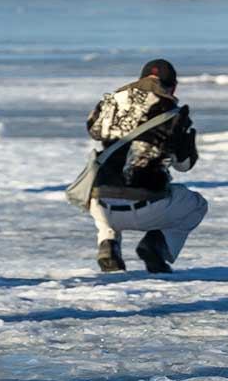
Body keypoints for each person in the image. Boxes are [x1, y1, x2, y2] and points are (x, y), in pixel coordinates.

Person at [85, 60, 206, 273]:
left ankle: (108, 244)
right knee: (196, 205)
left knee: (106, 185)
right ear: (173, 87)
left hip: (102, 205)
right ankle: (156, 245)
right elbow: (184, 165)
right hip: (147, 204)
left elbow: (93, 129)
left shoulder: (111, 101)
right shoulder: (173, 113)